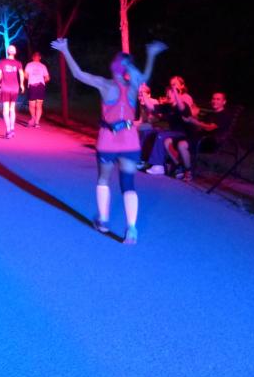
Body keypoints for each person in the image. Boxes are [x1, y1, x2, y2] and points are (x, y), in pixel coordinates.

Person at [51, 37, 168, 244]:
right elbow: (145, 77)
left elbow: (78, 74)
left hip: (108, 140)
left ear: (113, 67)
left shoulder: (105, 84)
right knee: (128, 183)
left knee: (103, 179)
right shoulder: (133, 86)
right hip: (130, 140)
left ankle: (103, 221)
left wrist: (65, 50)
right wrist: (151, 55)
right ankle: (131, 229)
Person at [175, 92, 232, 180]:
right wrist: (192, 118)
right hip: (202, 138)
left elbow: (210, 128)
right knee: (173, 139)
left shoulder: (225, 115)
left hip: (212, 142)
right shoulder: (211, 114)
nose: (214, 101)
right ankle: (179, 167)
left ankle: (188, 172)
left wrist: (194, 122)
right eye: (213, 99)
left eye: (218, 99)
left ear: (224, 102)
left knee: (182, 145)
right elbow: (200, 126)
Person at [0, 45, 25, 139]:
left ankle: (8, 129)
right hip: (15, 88)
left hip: (5, 87)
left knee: (5, 110)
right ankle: (12, 128)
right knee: (12, 109)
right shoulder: (18, 63)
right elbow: (21, 74)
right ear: (15, 52)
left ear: (7, 52)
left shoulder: (2, 62)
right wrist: (22, 84)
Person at [24, 52, 50, 128]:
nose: (36, 57)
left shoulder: (40, 66)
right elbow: (25, 75)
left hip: (36, 86)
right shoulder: (31, 65)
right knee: (34, 105)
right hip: (36, 86)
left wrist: (37, 81)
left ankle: (36, 121)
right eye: (36, 56)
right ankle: (35, 120)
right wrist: (36, 81)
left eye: (37, 56)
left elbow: (47, 78)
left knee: (36, 105)